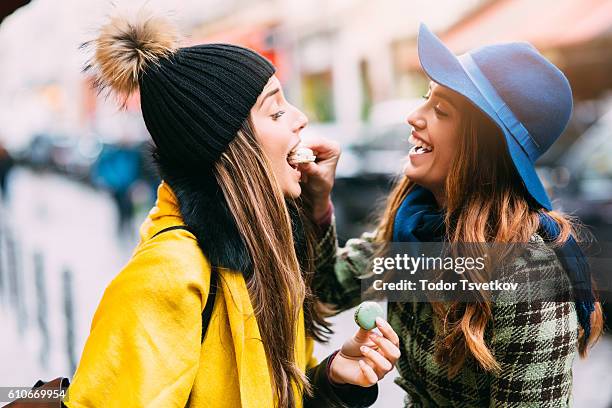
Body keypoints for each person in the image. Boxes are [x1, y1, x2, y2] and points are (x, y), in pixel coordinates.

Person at [65, 11, 400, 408]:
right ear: (232, 150)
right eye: (275, 111)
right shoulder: (169, 275)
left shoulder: (266, 252)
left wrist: (331, 380)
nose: (301, 118)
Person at [305, 24, 604, 407]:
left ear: (483, 149)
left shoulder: (529, 273)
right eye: (425, 98)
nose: (414, 116)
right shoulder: (418, 225)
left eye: (441, 109)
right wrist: (318, 201)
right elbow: (324, 290)